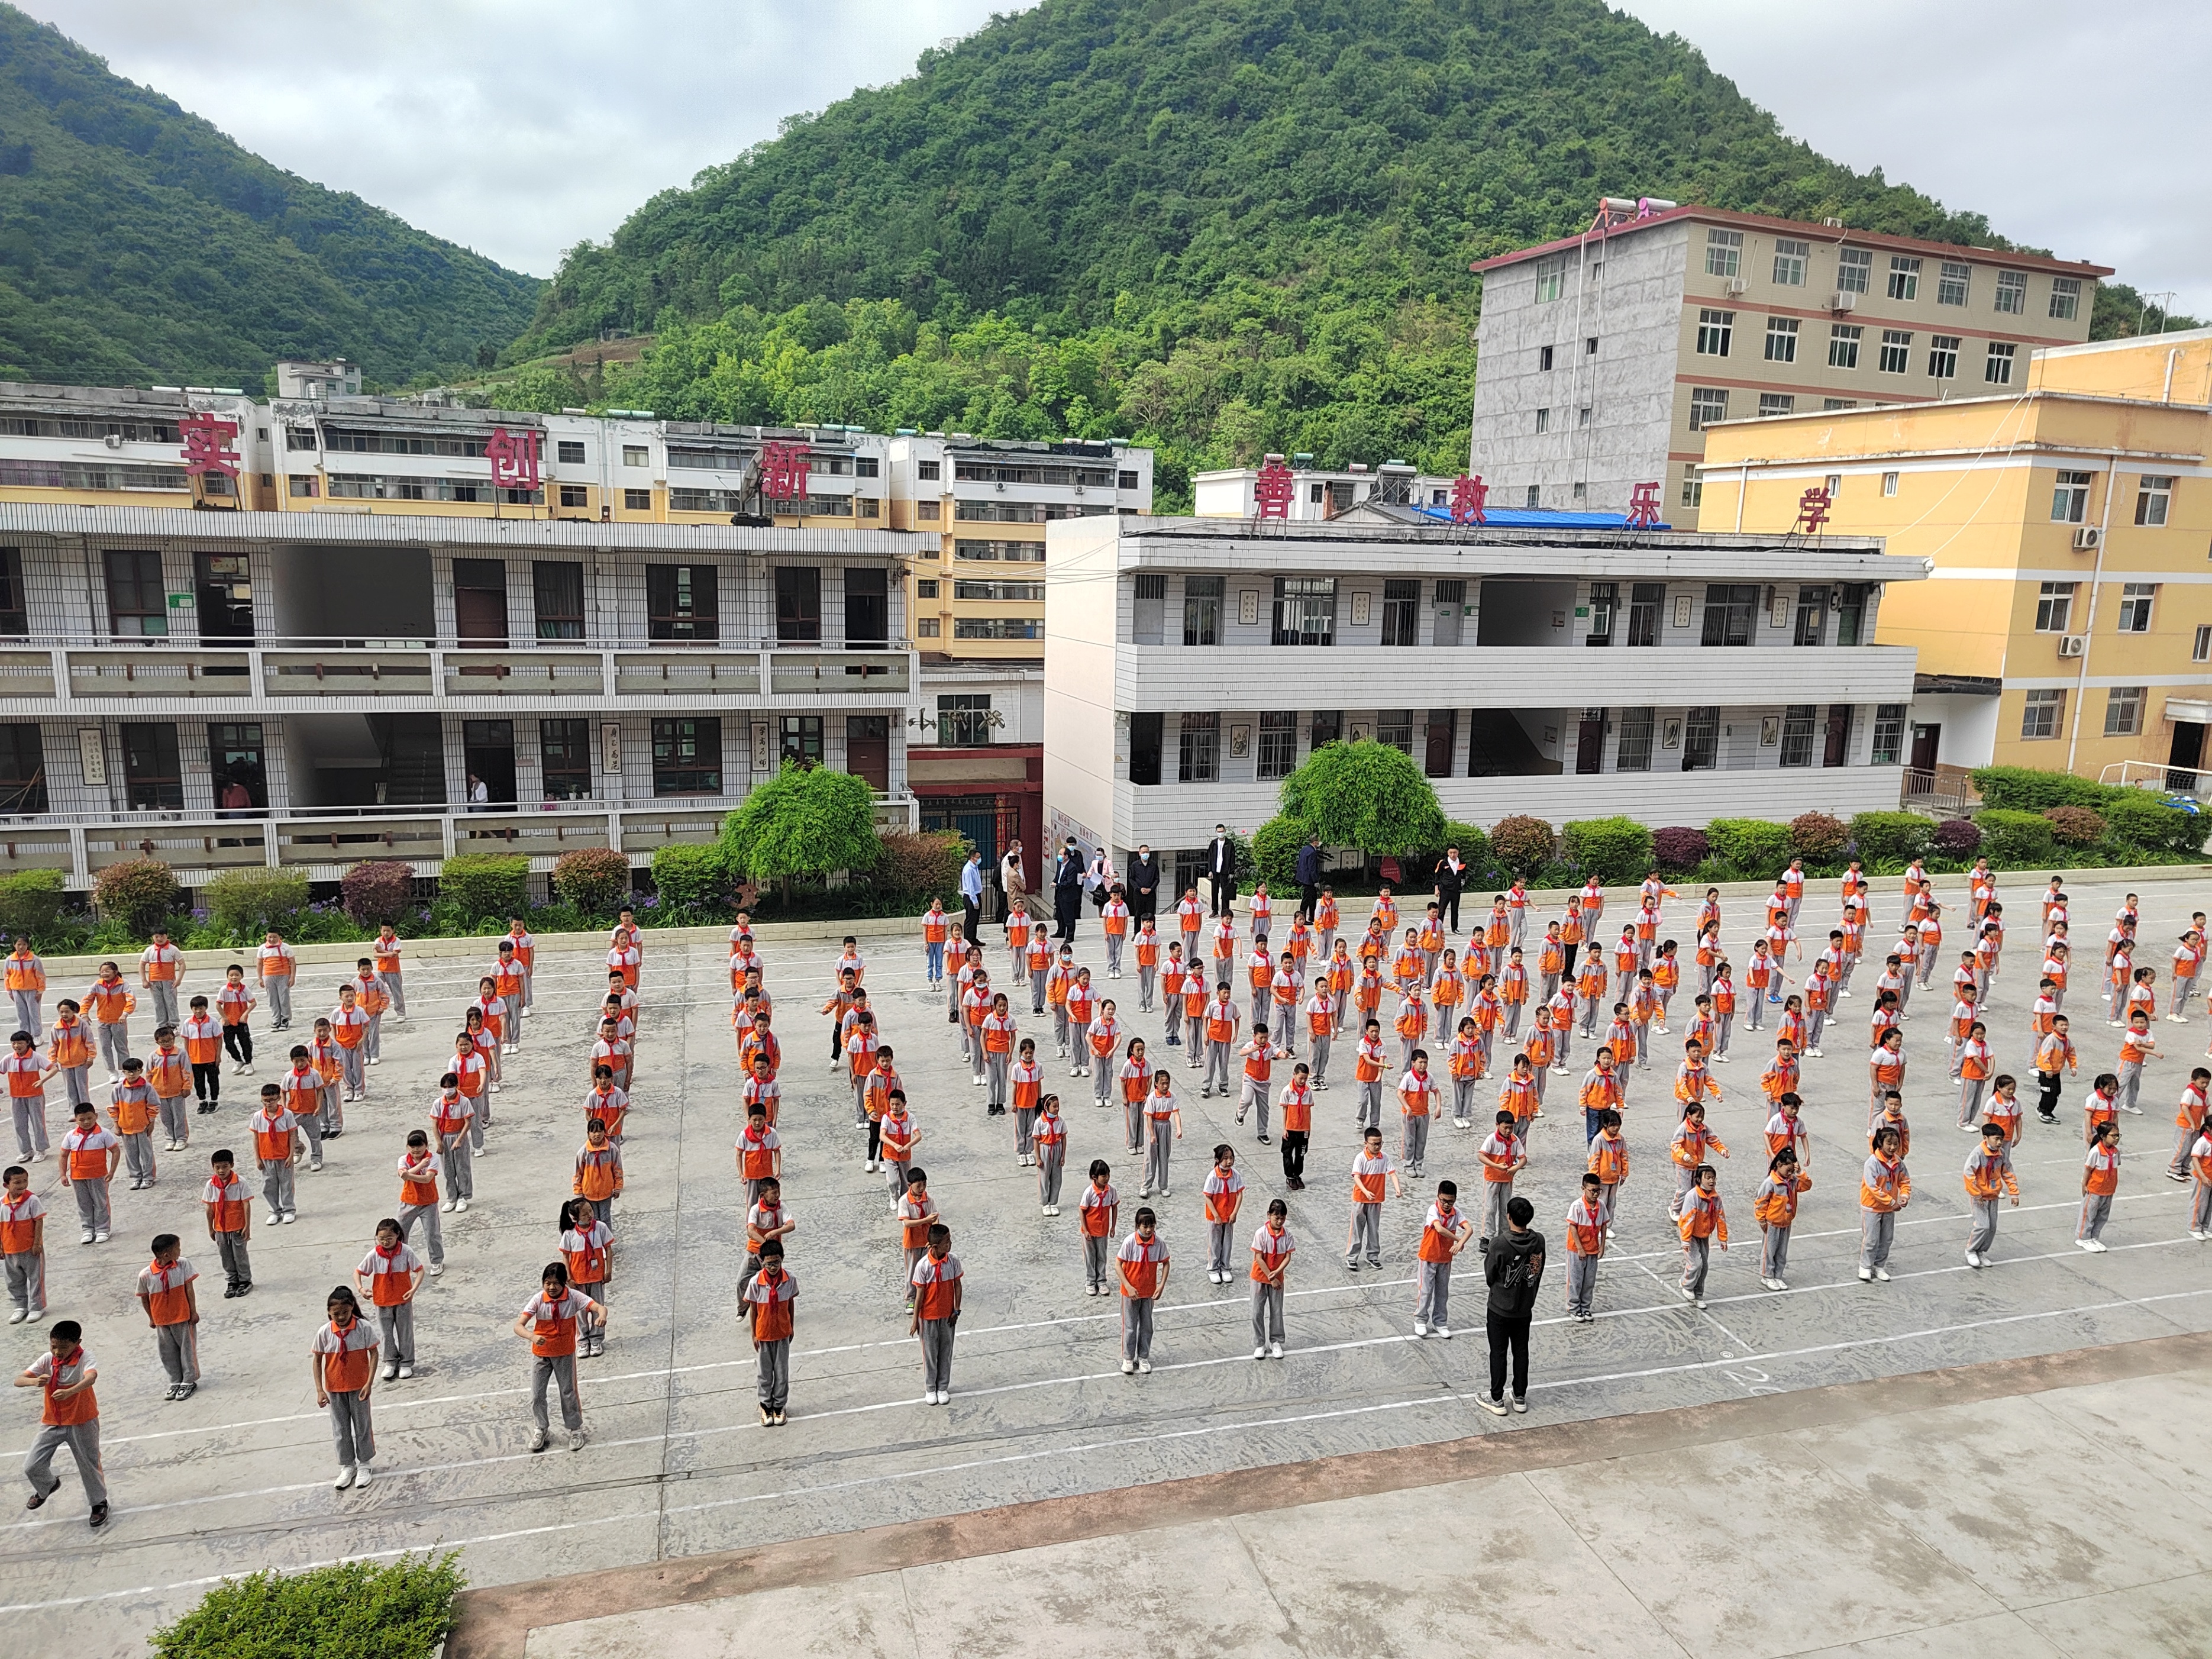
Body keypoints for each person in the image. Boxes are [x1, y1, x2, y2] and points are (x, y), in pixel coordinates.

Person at [17, 1319, 106, 1526]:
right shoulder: (47, 1359)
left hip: (82, 1421)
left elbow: (91, 1378)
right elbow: (18, 1380)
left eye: (63, 1348)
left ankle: (99, 1503)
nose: (57, 1351)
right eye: (53, 1346)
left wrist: (70, 1392)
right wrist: (33, 1381)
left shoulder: (85, 1358)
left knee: (89, 1464)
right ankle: (48, 1485)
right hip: (52, 1421)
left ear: (77, 1343)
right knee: (31, 1465)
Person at [516, 1261, 602, 1452]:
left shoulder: (574, 1297)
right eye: (547, 1283)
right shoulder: (538, 1300)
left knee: (568, 1392)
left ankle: (575, 1429)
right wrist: (532, 1336)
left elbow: (598, 1307)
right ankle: (541, 1428)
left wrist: (601, 1315)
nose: (551, 1287)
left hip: (564, 1353)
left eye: (556, 1283)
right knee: (537, 1395)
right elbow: (518, 1326)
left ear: (564, 1284)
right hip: (541, 1355)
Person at [1480, 1196, 1545, 1416]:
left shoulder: (1499, 1244)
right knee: (1521, 1351)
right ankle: (1519, 1396)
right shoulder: (1539, 1241)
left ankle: (1496, 1398)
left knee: (1498, 1353)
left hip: (1499, 1307)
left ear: (1508, 1217)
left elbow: (1490, 1275)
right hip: (1525, 1307)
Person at [313, 1286, 380, 1489]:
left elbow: (374, 1354)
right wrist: (320, 1389)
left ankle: (365, 1464)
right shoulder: (324, 1333)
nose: (341, 1317)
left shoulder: (364, 1328)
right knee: (341, 1429)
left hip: (359, 1387)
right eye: (336, 1314)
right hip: (335, 1388)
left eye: (345, 1312)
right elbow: (317, 1360)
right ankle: (347, 1465)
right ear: (328, 1313)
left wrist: (369, 1383)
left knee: (362, 1426)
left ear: (352, 1308)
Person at [355, 1219, 424, 1382]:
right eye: (382, 1239)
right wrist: (361, 1289)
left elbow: (420, 1270)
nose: (385, 1242)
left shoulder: (406, 1251)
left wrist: (413, 1289)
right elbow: (358, 1272)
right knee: (386, 1334)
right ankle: (390, 1362)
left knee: (405, 1332)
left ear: (398, 1235)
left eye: (389, 1238)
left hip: (403, 1300)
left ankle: (406, 1362)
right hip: (382, 1301)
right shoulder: (374, 1255)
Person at [137, 1232, 200, 1400]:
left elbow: (189, 1289)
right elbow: (144, 1298)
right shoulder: (145, 1275)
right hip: (162, 1320)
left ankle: (189, 1380)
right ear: (167, 1255)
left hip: (182, 1316)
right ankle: (175, 1380)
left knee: (187, 1350)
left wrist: (193, 1311)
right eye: (177, 1249)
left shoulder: (183, 1264)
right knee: (167, 1352)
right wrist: (151, 1317)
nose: (180, 1252)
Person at [745, 1237, 796, 1426]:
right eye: (769, 1264)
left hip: (782, 1332)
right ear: (762, 1262)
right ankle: (766, 1405)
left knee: (782, 1372)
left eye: (777, 1263)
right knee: (765, 1373)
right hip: (764, 1333)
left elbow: (790, 1303)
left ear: (782, 1259)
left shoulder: (789, 1280)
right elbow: (754, 1310)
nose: (773, 1267)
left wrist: (791, 1327)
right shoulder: (755, 1283)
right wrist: (754, 1334)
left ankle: (780, 1405)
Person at [1413, 1178, 1474, 1338]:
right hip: (1429, 1256)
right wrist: (1458, 1241)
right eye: (1444, 1201)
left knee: (1442, 1292)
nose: (1447, 1205)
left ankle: (1440, 1322)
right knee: (1425, 1291)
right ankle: (1420, 1320)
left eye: (1451, 1202)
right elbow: (1439, 1229)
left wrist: (1461, 1242)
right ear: (1438, 1196)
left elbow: (1469, 1229)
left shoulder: (1457, 1213)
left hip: (1445, 1259)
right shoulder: (1433, 1210)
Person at [909, 1222, 962, 1405]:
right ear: (935, 1246)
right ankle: (930, 1388)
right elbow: (919, 1296)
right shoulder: (923, 1266)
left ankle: (943, 1387)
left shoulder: (953, 1261)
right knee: (931, 1354)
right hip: (929, 1317)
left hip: (948, 1316)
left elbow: (958, 1286)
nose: (951, 1244)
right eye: (947, 1242)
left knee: (946, 1352)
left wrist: (956, 1309)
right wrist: (916, 1321)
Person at [1116, 1206, 1168, 1374]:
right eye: (1145, 1226)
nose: (1148, 1230)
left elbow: (1166, 1263)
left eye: (1151, 1226)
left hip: (1149, 1292)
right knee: (1130, 1327)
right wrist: (1128, 1286)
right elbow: (1118, 1265)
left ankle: (1143, 1357)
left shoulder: (1159, 1243)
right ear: (1137, 1226)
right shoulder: (1130, 1242)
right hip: (1130, 1294)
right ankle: (1128, 1358)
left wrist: (1161, 1285)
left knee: (1147, 1326)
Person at [59, 1100, 118, 1245]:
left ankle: (103, 1229)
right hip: (78, 1177)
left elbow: (115, 1151)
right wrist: (63, 1174)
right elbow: (63, 1155)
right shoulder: (71, 1136)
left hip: (98, 1175)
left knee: (101, 1202)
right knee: (83, 1203)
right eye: (82, 1119)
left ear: (96, 1116)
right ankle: (87, 1229)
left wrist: (112, 1171)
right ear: (76, 1120)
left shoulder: (104, 1134)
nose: (86, 1122)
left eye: (90, 1118)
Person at [1859, 1124, 1910, 1282]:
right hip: (1872, 1207)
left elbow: (1904, 1180)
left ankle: (1879, 1266)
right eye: (1889, 1143)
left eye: (1896, 1144)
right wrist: (1891, 1202)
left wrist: (1905, 1195)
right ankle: (1865, 1266)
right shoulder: (1872, 1163)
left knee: (1887, 1238)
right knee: (1871, 1239)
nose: (1893, 1147)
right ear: (1881, 1144)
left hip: (1890, 1207)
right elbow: (1873, 1188)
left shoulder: (1898, 1162)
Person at [3, 1162, 46, 1321]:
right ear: (6, 1185)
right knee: (13, 1280)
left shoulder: (32, 1200)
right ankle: (20, 1306)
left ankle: (37, 1306)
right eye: (17, 1182)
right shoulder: (2, 1204)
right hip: (9, 1249)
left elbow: (39, 1221)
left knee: (35, 1278)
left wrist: (37, 1243)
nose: (23, 1185)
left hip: (29, 1248)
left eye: (25, 1181)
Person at [1563, 1172, 1608, 1321]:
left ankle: (1585, 1307)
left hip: (1593, 1248)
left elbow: (1603, 1226)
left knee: (1589, 1280)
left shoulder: (1601, 1206)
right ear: (1583, 1188)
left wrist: (1602, 1245)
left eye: (1598, 1191)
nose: (1596, 1194)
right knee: (1575, 1279)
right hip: (1577, 1249)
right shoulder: (1577, 1206)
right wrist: (1580, 1248)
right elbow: (1573, 1228)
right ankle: (1573, 1307)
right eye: (1593, 1191)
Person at [2078, 1121, 2121, 1251]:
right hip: (2095, 1188)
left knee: (2103, 1215)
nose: (2117, 1138)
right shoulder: (2096, 1151)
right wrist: (2084, 1185)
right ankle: (2084, 1238)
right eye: (2113, 1136)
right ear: (2103, 1136)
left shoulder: (2116, 1152)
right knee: (2089, 1214)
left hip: (2109, 1189)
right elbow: (2088, 1170)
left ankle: (2094, 1237)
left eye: (2118, 1135)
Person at [1053, 838, 1085, 942]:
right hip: (1059, 892)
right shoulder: (1060, 864)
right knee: (1060, 914)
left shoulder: (1072, 867)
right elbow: (1058, 876)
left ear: (1066, 856)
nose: (1059, 856)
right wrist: (1055, 882)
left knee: (1069, 916)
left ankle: (1070, 936)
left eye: (1061, 854)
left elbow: (1070, 882)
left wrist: (1057, 884)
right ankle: (1060, 932)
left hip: (1068, 894)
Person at [1433, 845, 1467, 936]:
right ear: (1448, 853)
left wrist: (1462, 884)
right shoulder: (1443, 863)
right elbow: (1437, 876)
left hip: (1456, 890)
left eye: (1455, 853)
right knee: (1441, 910)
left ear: (1458, 853)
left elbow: (1463, 875)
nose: (1453, 855)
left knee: (1455, 910)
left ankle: (1455, 928)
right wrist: (1437, 889)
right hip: (1445, 890)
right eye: (1451, 853)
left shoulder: (1462, 863)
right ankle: (1438, 929)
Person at [1206, 824, 1238, 916]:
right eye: (1219, 832)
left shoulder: (1230, 844)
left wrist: (1231, 872)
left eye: (1222, 831)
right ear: (1216, 832)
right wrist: (1210, 870)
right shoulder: (1214, 843)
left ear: (1225, 831)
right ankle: (1215, 910)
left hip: (1225, 872)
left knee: (1225, 893)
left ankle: (1225, 911)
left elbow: (1232, 858)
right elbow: (1210, 858)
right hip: (1215, 872)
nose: (1220, 833)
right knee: (1214, 892)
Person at [1127, 841, 1161, 927]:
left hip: (1150, 894)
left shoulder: (1154, 865)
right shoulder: (1135, 865)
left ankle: (1152, 932)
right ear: (1139, 853)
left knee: (1151, 914)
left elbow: (1157, 879)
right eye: (1143, 852)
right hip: (1139, 894)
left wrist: (1151, 889)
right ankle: (1137, 933)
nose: (1145, 854)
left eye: (1147, 852)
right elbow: (1131, 879)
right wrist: (1139, 888)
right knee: (1138, 914)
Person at [1296, 834, 1325, 924]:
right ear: (1315, 842)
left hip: (1303, 877)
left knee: (1313, 898)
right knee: (1307, 899)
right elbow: (1312, 868)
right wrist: (1316, 880)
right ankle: (1302, 918)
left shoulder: (1305, 849)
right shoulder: (1313, 852)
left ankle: (1313, 916)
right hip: (1309, 880)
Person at [960, 850, 987, 947]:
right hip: (971, 897)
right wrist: (975, 901)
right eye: (978, 857)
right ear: (972, 858)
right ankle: (968, 940)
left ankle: (973, 938)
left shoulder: (975, 867)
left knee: (975, 919)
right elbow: (970, 887)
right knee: (971, 919)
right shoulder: (969, 869)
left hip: (977, 895)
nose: (979, 859)